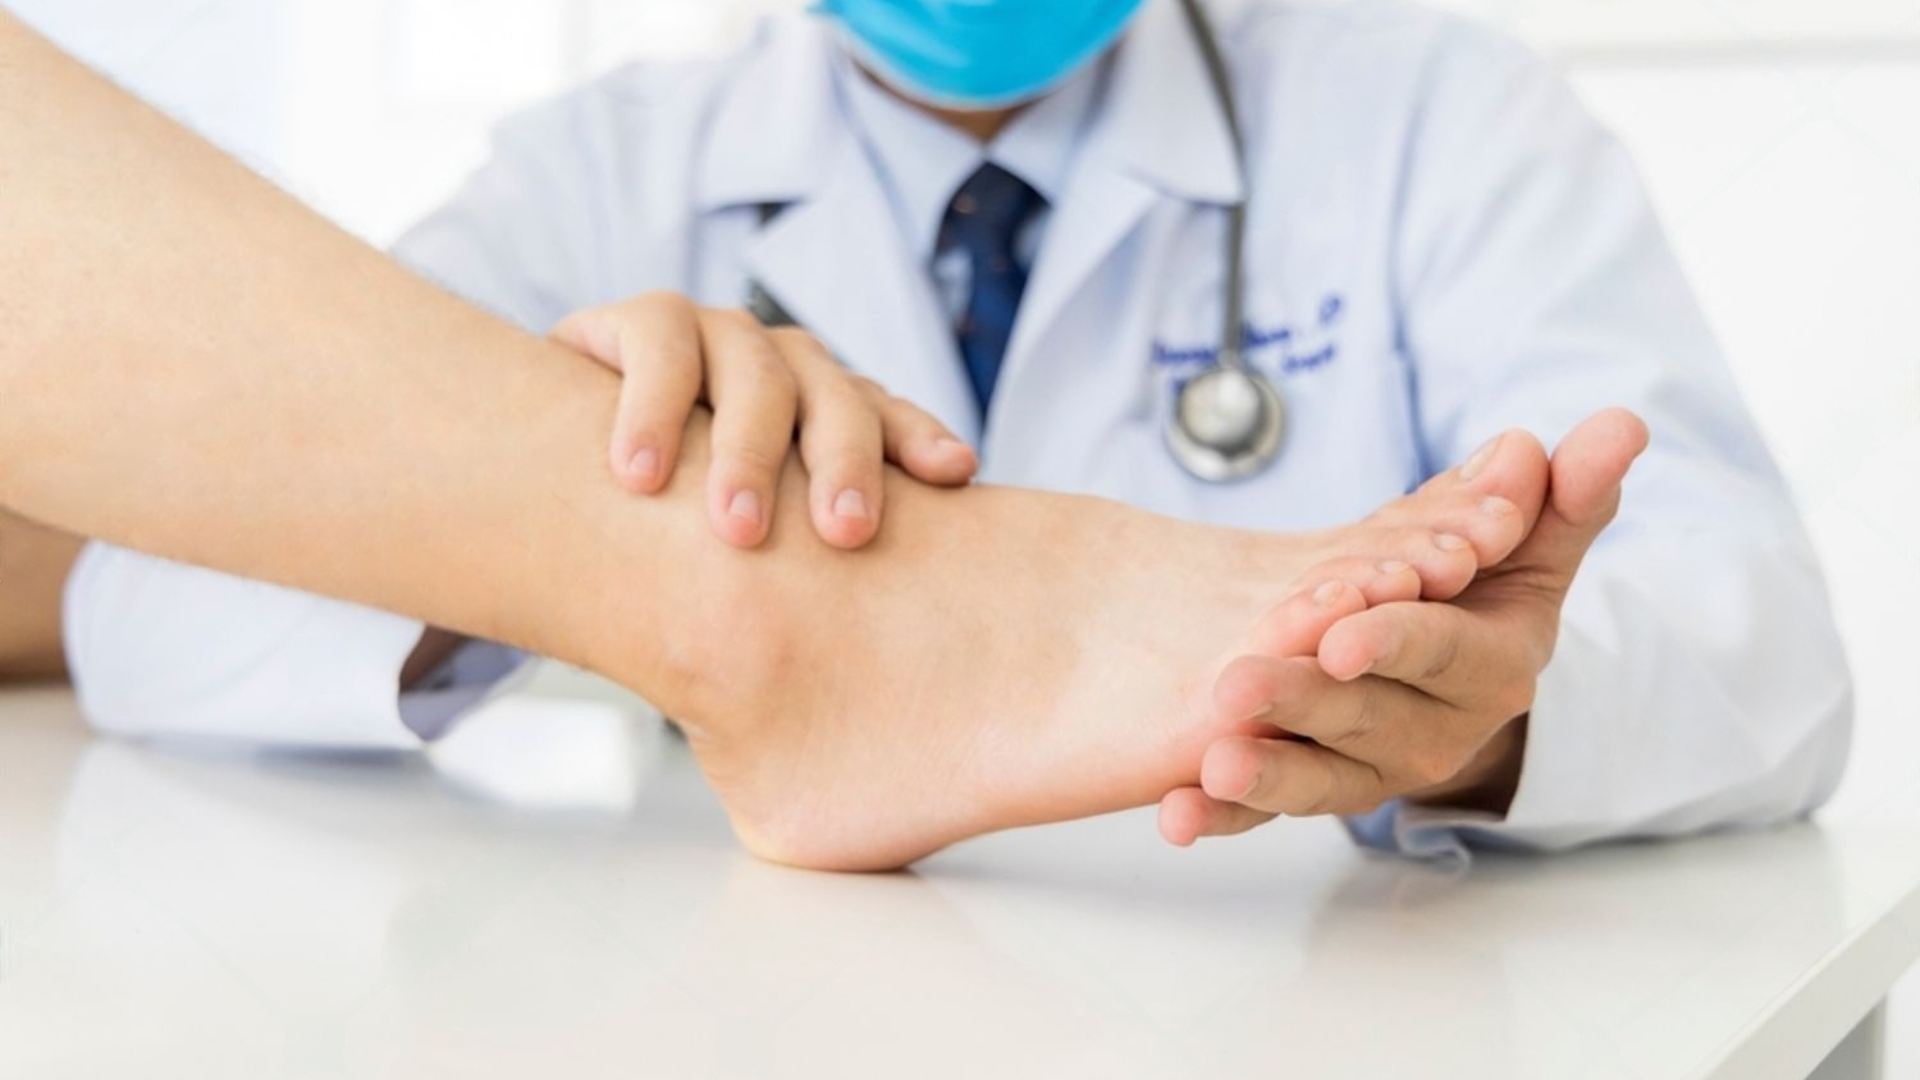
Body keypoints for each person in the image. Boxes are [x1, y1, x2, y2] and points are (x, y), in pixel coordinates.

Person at [10, 0, 1848, 862]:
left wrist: (1469, 715)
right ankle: (810, 637)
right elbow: (155, 600)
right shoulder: (606, 171)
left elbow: (1753, 637)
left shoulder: (1432, 112)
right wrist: (583, 482)